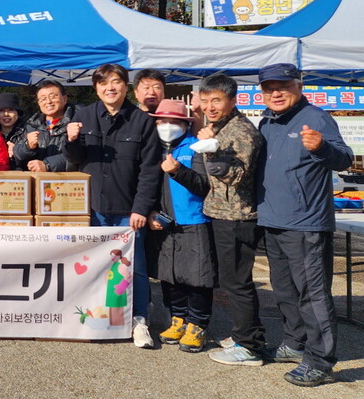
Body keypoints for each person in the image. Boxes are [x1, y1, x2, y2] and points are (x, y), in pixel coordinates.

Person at [254, 63, 351, 387]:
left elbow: (344, 158)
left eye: (283, 86)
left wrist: (321, 147)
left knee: (313, 294)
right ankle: (294, 344)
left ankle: (320, 361)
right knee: (284, 290)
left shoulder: (317, 118)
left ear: (298, 85)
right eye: (269, 88)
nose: (276, 93)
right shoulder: (266, 121)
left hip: (306, 223)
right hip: (272, 220)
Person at [64, 63, 161, 349]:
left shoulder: (141, 121)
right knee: (96, 266)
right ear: (96, 88)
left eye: (116, 82)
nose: (110, 88)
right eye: (103, 83)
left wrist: (141, 208)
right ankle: (101, 317)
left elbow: (150, 170)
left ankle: (139, 320)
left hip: (128, 211)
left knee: (134, 268)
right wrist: (71, 139)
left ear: (125, 86)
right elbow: (75, 158)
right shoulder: (83, 116)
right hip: (93, 208)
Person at [199, 74, 268, 367]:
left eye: (216, 100)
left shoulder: (241, 131)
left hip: (237, 216)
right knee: (231, 279)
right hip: (222, 213)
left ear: (231, 100)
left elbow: (236, 175)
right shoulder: (220, 127)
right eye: (205, 101)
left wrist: (212, 148)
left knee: (237, 281)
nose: (209, 107)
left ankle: (249, 347)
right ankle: (246, 333)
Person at [144, 100, 214, 354]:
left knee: (197, 278)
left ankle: (197, 325)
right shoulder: (153, 149)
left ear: (185, 124)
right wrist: (151, 211)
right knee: (169, 275)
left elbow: (205, 186)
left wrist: (178, 171)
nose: (167, 126)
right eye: (162, 121)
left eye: (174, 122)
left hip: (194, 221)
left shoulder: (196, 147)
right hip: (165, 223)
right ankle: (178, 319)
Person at [12, 79, 77, 172]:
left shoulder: (77, 122)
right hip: (37, 179)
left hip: (68, 179)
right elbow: (18, 155)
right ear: (39, 103)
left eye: (53, 97)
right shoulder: (32, 124)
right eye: (43, 99)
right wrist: (28, 146)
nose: (48, 101)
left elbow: (80, 154)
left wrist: (48, 165)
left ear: (64, 99)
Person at [0, 92, 25, 163]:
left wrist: (19, 152)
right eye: (1, 111)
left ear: (17, 113)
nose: (6, 114)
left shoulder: (27, 132)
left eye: (11, 110)